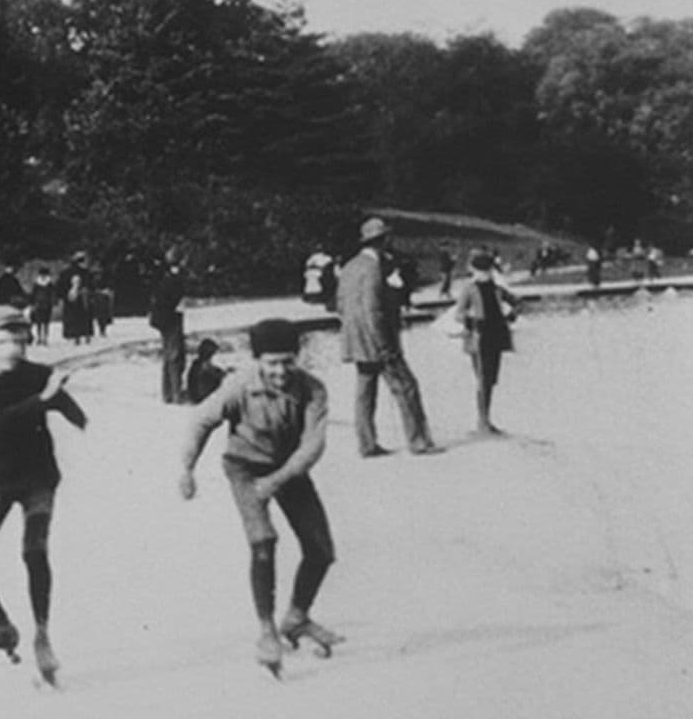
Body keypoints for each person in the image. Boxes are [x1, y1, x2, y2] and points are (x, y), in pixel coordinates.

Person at [178, 319, 342, 680]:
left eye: (287, 362)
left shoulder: (312, 389)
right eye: (271, 363)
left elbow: (312, 447)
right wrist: (187, 469)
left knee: (321, 550)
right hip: (245, 468)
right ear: (257, 361)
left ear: (298, 357)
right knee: (263, 541)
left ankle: (296, 617)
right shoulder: (239, 385)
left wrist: (277, 480)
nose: (280, 372)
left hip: (288, 469)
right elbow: (201, 421)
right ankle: (267, 631)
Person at [0, 306, 88, 687]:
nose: (12, 349)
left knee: (34, 551)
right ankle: (1, 627)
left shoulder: (37, 375)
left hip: (38, 480)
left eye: (18, 341)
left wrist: (64, 401)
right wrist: (44, 398)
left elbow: (74, 413)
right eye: (2, 341)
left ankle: (42, 635)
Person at [337, 218, 440, 457]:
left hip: (356, 339)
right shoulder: (374, 268)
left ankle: (367, 444)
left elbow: (340, 303)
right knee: (406, 387)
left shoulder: (350, 266)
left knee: (365, 392)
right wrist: (384, 344)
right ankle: (418, 441)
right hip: (377, 338)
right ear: (383, 241)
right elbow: (372, 308)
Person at [454, 252, 520, 436]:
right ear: (475, 271)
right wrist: (471, 321)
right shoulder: (469, 289)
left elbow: (517, 302)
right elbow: (458, 313)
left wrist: (512, 315)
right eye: (482, 270)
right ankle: (482, 421)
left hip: (496, 336)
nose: (485, 274)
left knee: (490, 379)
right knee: (483, 379)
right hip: (479, 338)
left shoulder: (497, 289)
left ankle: (486, 420)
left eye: (487, 270)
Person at [150, 251, 186, 404]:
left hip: (165, 320)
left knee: (168, 356)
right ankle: (175, 393)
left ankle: (168, 393)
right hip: (171, 320)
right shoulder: (173, 280)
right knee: (174, 356)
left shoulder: (164, 277)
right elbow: (172, 301)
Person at [59, 251, 93, 345]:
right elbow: (90, 285)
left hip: (73, 298)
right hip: (79, 298)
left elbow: (61, 286)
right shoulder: (84, 272)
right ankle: (83, 334)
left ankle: (75, 334)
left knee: (75, 316)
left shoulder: (66, 272)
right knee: (82, 317)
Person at [185, 338, 225, 404]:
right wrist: (224, 374)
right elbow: (215, 374)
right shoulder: (204, 364)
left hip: (195, 396)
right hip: (201, 397)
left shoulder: (197, 363)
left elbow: (213, 370)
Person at [29, 267, 56, 346]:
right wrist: (32, 303)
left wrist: (53, 302)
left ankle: (45, 338)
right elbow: (33, 294)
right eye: (42, 274)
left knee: (46, 322)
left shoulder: (49, 284)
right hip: (38, 304)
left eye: (44, 274)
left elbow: (53, 294)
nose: (43, 276)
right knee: (39, 322)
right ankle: (39, 338)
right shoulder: (37, 284)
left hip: (47, 305)